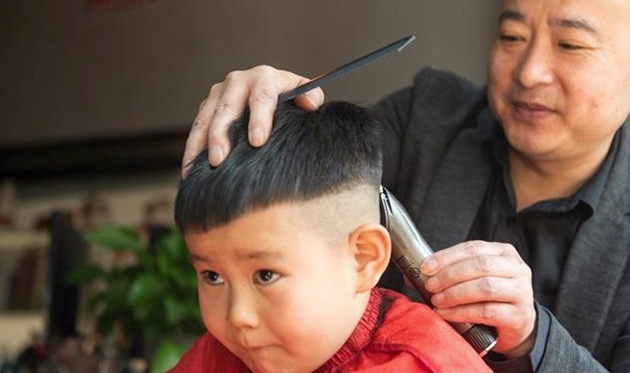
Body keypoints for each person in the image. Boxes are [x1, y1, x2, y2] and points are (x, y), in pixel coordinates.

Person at [182, 0, 630, 372]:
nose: (530, 71)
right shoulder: (428, 116)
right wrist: (279, 120)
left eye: (570, 45)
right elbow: (308, 196)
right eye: (511, 37)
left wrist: (534, 338)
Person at [171, 102, 492, 372]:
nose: (238, 316)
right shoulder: (223, 354)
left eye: (265, 275)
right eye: (212, 276)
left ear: (363, 259)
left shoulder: (416, 364)